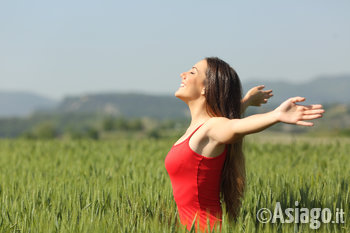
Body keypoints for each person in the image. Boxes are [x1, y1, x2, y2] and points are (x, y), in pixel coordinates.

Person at [164, 57, 324, 233]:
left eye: (192, 71)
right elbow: (228, 117)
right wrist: (246, 102)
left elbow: (233, 126)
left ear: (206, 88)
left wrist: (276, 115)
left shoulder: (211, 128)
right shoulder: (199, 129)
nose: (183, 74)